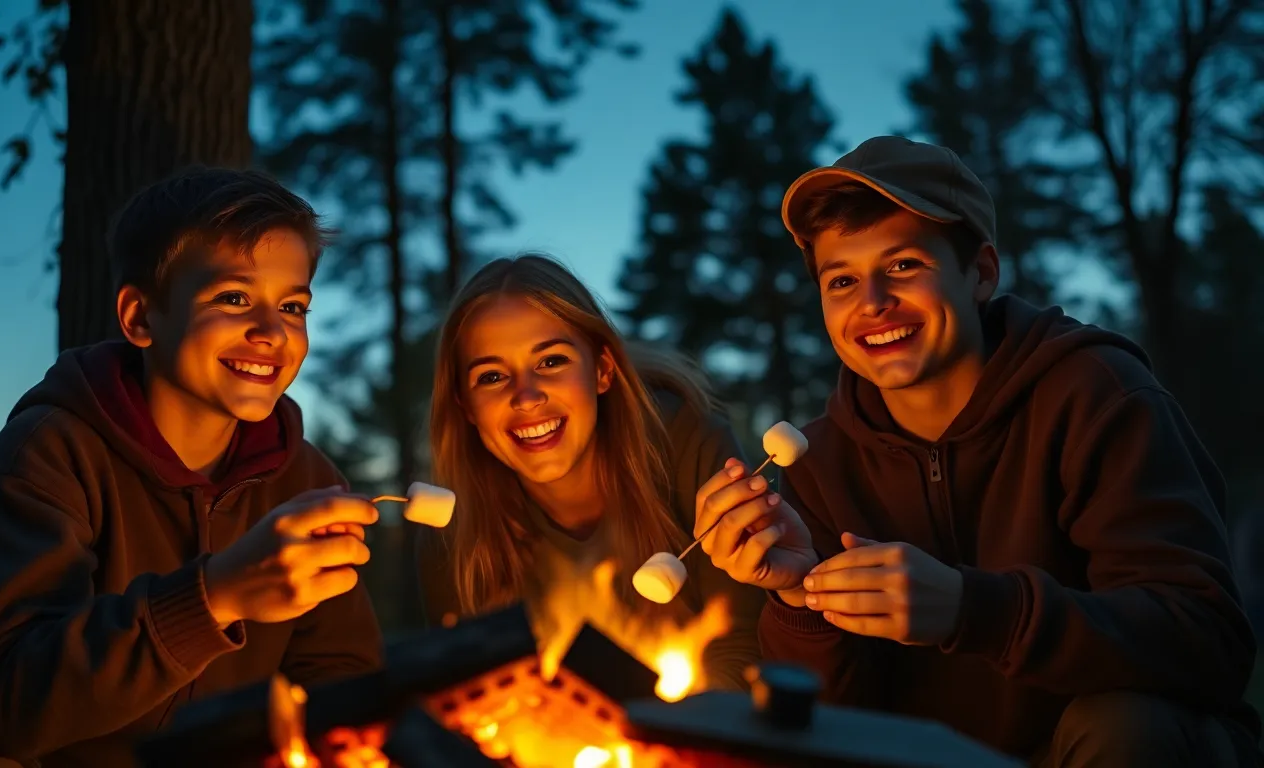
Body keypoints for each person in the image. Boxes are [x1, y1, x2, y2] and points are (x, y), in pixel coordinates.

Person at [695, 136, 1262, 765]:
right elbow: (830, 726)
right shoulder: (820, 463)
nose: (873, 302)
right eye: (842, 281)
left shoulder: (1094, 394)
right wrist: (801, 600)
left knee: (1124, 724)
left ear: (981, 273)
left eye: (904, 265)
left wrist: (977, 610)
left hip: (1097, 750)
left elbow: (1208, 641)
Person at [0, 169, 386, 767]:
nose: (272, 331)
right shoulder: (48, 457)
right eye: (233, 298)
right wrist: (215, 596)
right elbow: (10, 704)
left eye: (293, 306)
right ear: (140, 317)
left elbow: (342, 678)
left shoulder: (307, 482)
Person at [416, 254, 765, 691]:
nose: (526, 397)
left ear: (602, 370)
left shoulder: (686, 444)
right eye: (491, 376)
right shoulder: (451, 533)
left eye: (550, 362)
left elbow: (742, 648)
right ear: (465, 405)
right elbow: (468, 697)